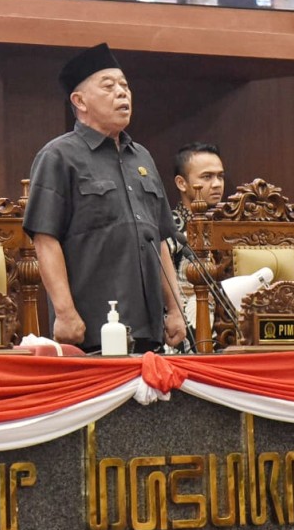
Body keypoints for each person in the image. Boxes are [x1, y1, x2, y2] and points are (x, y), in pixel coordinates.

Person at [23, 43, 188, 352]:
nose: (122, 93)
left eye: (125, 86)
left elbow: (160, 240)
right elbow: (45, 238)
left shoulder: (142, 158)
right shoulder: (58, 156)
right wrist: (64, 312)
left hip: (149, 330)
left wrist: (175, 309)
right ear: (80, 101)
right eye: (109, 86)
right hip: (91, 329)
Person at [169, 143, 226, 332]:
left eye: (220, 176)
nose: (217, 184)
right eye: (207, 177)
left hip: (228, 331)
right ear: (181, 183)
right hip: (182, 333)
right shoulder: (168, 228)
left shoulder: (228, 226)